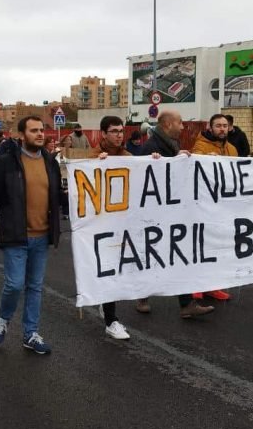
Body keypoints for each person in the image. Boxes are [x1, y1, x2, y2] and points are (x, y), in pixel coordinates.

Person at [0, 116, 62, 355]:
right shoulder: (6, 163)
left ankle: (30, 334)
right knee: (14, 285)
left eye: (42, 130)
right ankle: (3, 320)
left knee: (34, 287)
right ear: (21, 135)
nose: (40, 134)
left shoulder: (50, 163)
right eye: (34, 130)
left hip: (42, 237)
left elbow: (60, 197)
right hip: (15, 235)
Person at [137, 110, 215, 318]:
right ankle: (142, 294)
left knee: (179, 256)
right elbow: (143, 179)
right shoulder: (151, 147)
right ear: (168, 124)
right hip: (155, 214)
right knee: (152, 254)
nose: (183, 127)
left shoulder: (171, 146)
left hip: (173, 212)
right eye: (179, 123)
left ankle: (186, 304)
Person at [88, 115, 134, 340]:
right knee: (108, 269)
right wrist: (97, 164)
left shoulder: (128, 157)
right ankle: (111, 320)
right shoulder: (92, 156)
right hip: (99, 225)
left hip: (122, 224)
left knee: (116, 270)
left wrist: (156, 161)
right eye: (114, 131)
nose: (119, 135)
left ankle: (107, 308)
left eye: (121, 131)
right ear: (103, 134)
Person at [189, 114, 239, 302]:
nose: (222, 129)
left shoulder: (232, 149)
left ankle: (213, 286)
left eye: (225, 126)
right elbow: (194, 166)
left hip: (223, 206)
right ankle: (197, 286)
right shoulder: (201, 146)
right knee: (201, 246)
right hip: (204, 206)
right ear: (210, 128)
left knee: (218, 247)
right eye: (218, 126)